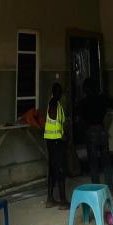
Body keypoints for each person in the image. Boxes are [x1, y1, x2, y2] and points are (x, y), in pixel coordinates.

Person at [78, 77, 113, 205]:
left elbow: (80, 119)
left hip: (91, 132)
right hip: (102, 132)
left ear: (86, 89)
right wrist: (105, 95)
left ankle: (96, 193)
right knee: (106, 164)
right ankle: (111, 193)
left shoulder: (83, 102)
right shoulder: (102, 99)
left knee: (93, 165)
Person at [43, 81, 69, 209]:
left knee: (53, 169)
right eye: (58, 92)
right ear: (54, 93)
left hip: (51, 140)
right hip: (56, 141)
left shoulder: (57, 104)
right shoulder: (53, 103)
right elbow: (54, 118)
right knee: (60, 170)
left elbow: (60, 121)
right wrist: (62, 136)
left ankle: (50, 199)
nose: (60, 94)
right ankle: (63, 202)